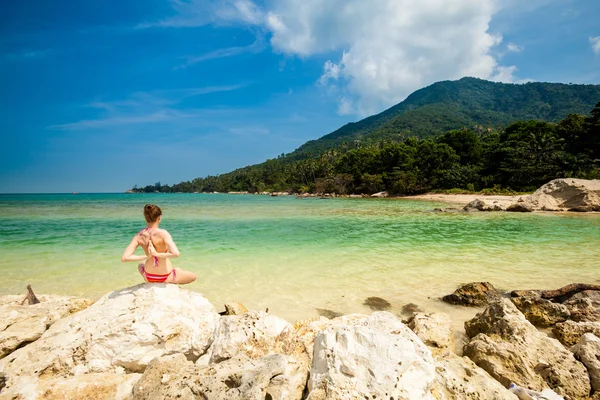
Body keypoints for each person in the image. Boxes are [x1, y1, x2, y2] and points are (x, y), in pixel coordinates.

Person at [121, 204, 196, 284]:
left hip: (149, 277)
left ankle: (174, 272)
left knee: (141, 264)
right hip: (165, 276)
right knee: (193, 276)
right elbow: (176, 254)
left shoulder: (139, 235)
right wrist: (156, 254)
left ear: (146, 218)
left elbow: (125, 258)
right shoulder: (163, 233)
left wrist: (147, 256)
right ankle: (173, 276)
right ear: (159, 217)